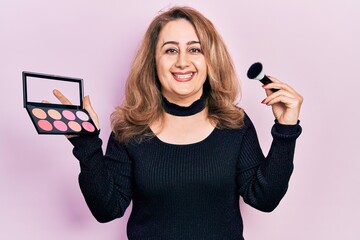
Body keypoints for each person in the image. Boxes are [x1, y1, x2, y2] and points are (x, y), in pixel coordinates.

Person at [54, 6, 303, 240]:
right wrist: (87, 145)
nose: (182, 61)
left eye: (195, 49)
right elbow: (107, 209)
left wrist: (286, 130)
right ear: (153, 61)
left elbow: (264, 199)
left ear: (210, 59)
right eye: (170, 50)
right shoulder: (130, 128)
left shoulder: (235, 123)